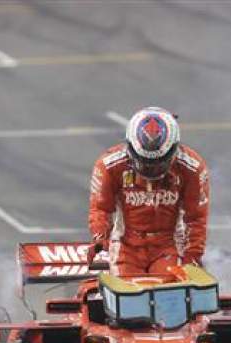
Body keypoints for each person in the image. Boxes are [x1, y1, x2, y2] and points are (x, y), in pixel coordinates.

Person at [88, 106, 210, 274]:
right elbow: (101, 208)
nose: (151, 168)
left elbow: (196, 219)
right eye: (144, 161)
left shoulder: (192, 168)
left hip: (170, 245)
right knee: (125, 286)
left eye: (158, 162)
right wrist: (100, 237)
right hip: (125, 244)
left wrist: (192, 257)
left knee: (171, 286)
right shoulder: (109, 165)